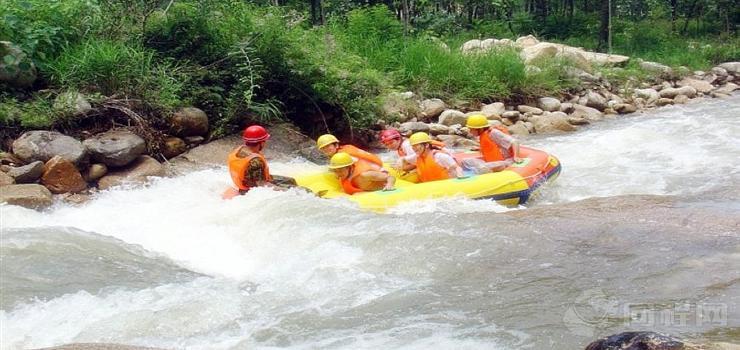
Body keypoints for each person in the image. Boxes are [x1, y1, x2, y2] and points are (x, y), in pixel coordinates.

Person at [227, 125, 295, 195]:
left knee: (291, 180)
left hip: (246, 183)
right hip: (251, 191)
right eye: (265, 141)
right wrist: (288, 191)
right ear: (262, 143)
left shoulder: (239, 150)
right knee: (299, 190)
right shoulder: (256, 161)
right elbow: (262, 185)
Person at [379, 129, 449, 170]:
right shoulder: (399, 148)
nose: (389, 146)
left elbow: (418, 160)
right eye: (386, 144)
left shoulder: (407, 145)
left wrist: (403, 168)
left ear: (398, 139)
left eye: (391, 143)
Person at [329, 152, 395, 194]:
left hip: (379, 183)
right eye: (335, 171)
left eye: (340, 170)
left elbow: (390, 177)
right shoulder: (342, 175)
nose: (338, 174)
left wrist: (389, 185)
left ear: (349, 167)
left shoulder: (365, 175)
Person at [316, 134, 383, 167]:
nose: (326, 149)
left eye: (328, 146)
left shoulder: (341, 155)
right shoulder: (346, 147)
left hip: (374, 168)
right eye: (323, 148)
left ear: (336, 145)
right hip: (377, 163)